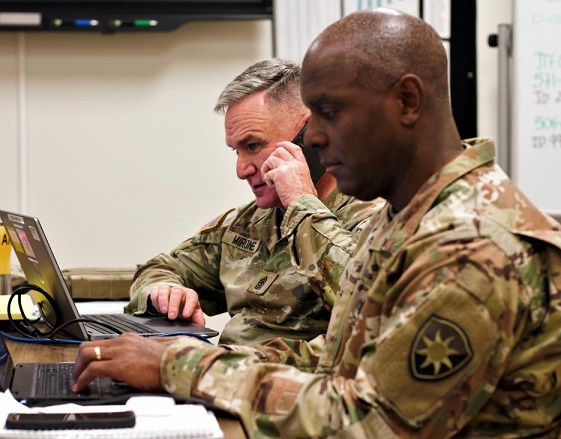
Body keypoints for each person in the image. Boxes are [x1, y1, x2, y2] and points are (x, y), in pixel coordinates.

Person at [73, 9, 561, 438]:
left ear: (407, 101)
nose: (313, 139)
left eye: (329, 112)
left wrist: (177, 367)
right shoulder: (410, 214)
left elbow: (366, 424)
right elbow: (336, 368)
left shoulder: (470, 246)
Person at [124, 58, 384, 346]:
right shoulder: (249, 223)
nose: (241, 170)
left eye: (253, 146)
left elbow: (370, 305)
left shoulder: (377, 216)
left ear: (312, 136)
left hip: (294, 384)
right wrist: (163, 290)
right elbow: (159, 268)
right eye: (237, 151)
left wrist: (302, 203)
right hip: (215, 378)